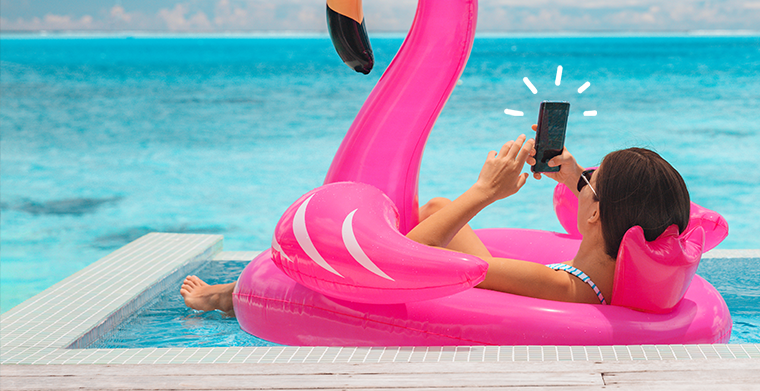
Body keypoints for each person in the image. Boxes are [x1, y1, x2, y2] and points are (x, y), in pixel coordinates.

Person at [181, 132, 690, 313]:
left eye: (592, 182)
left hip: (447, 292)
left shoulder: (563, 286)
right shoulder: (612, 270)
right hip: (533, 269)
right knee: (435, 206)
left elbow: (396, 263)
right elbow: (610, 206)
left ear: (598, 212)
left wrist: (486, 192)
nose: (585, 182)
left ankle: (228, 296)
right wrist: (576, 176)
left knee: (438, 215)